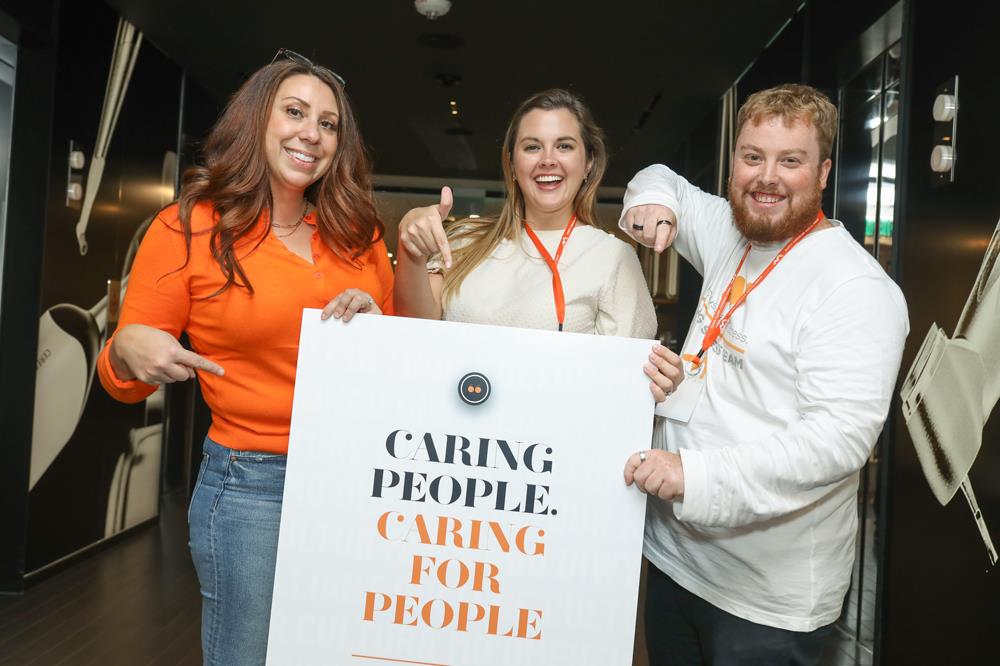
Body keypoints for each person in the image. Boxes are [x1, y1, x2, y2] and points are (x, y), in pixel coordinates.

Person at [96, 51, 393, 665]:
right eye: (294, 112)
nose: (311, 132)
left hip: (355, 482)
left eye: (329, 123)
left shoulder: (359, 235)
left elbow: (401, 371)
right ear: (258, 120)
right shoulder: (187, 228)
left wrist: (380, 324)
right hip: (251, 487)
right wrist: (127, 348)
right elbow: (121, 378)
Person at [619, 83, 909, 665]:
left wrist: (693, 476)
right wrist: (653, 203)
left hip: (765, 600)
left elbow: (838, 441)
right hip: (675, 561)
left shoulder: (856, 289)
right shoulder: (732, 230)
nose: (766, 177)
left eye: (791, 161)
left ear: (823, 173)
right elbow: (660, 176)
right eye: (753, 157)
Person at [393, 88, 682, 404]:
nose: (548, 160)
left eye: (564, 146)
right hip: (458, 438)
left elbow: (623, 391)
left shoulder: (613, 259)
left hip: (549, 448)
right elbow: (414, 332)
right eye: (532, 147)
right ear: (512, 164)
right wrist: (412, 251)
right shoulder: (466, 240)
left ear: (588, 163)